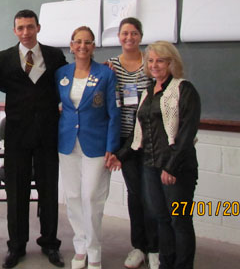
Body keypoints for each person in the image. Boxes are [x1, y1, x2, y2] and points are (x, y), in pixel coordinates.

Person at [108, 41, 201, 269]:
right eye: (150, 61)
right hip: (150, 166)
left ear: (171, 63)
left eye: (160, 60)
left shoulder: (184, 89)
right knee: (161, 219)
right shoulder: (148, 92)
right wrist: (120, 155)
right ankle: (165, 264)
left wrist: (171, 167)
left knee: (180, 220)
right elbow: (138, 134)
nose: (154, 65)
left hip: (177, 169)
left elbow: (187, 134)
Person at [0, 9, 67, 269]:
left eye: (30, 27)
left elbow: (69, 82)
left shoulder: (55, 56)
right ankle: (16, 246)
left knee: (48, 191)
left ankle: (50, 243)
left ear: (38, 28)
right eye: (20, 28)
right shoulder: (3, 58)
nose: (25, 32)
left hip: (48, 133)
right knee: (16, 193)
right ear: (14, 30)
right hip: (17, 135)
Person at [55, 26, 120, 269]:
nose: (82, 46)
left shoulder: (106, 74)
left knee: (91, 197)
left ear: (93, 46)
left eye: (88, 42)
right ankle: (80, 246)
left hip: (97, 144)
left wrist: (112, 146)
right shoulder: (61, 73)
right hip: (67, 142)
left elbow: (114, 113)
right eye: (78, 42)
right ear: (71, 46)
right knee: (72, 196)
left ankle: (94, 250)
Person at [107, 18, 158, 269]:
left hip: (149, 139)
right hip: (124, 141)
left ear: (141, 36)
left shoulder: (151, 63)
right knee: (135, 194)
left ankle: (155, 248)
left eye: (134, 33)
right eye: (125, 33)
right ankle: (139, 247)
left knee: (152, 195)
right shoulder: (111, 66)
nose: (129, 37)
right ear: (118, 36)